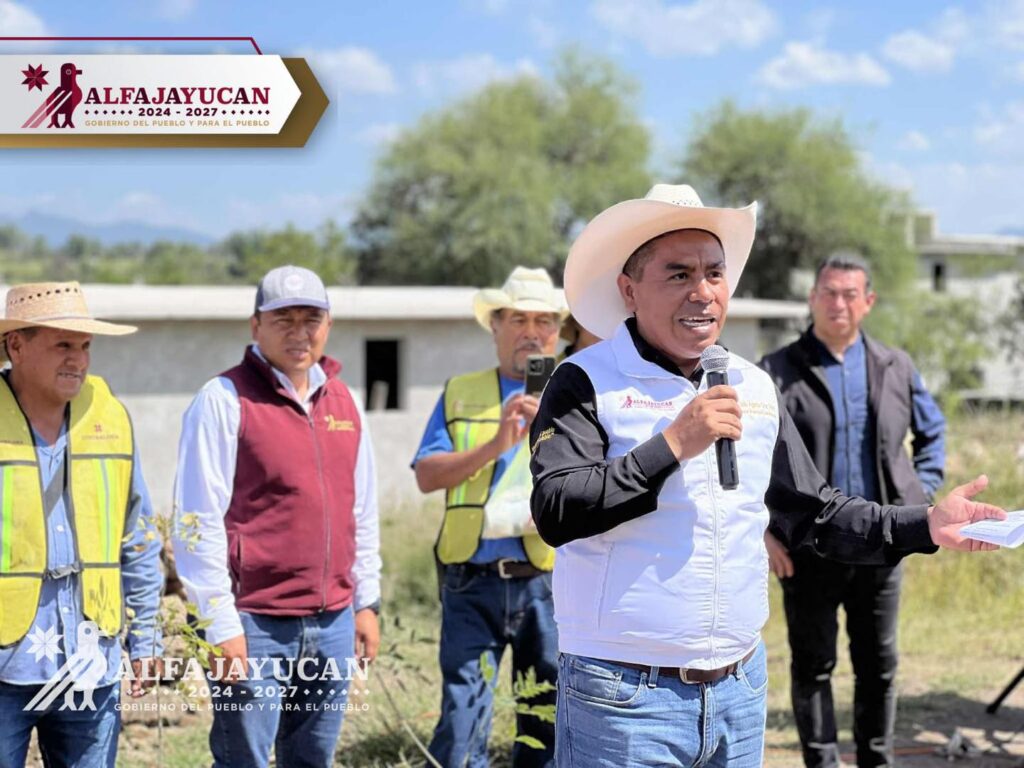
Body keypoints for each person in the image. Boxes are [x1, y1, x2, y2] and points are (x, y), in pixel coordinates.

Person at [528, 184, 1003, 768]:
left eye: (714, 273)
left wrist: (925, 524)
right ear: (629, 290)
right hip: (624, 698)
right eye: (678, 274)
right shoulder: (584, 381)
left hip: (739, 691)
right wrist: (673, 445)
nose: (702, 292)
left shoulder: (752, 385)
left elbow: (816, 513)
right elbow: (558, 510)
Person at [172, 265, 381, 768]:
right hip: (253, 621)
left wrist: (366, 601)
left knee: (313, 759)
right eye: (283, 319)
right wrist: (220, 624)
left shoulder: (346, 402)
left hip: (333, 621)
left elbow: (362, 508)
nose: (298, 332)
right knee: (244, 759)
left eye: (311, 319)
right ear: (255, 326)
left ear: (328, 325)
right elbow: (196, 521)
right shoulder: (223, 400)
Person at [758, 252, 946, 768]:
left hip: (883, 544)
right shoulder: (775, 371)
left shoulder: (895, 366)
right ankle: (821, 761)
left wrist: (919, 493)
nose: (837, 303)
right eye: (828, 292)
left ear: (868, 302)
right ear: (812, 298)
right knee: (813, 664)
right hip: (808, 548)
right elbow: (747, 459)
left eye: (849, 294)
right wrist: (764, 530)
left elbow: (932, 433)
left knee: (878, 665)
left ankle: (875, 760)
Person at [0, 281, 163, 768]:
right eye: (63, 345)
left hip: (92, 659)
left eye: (86, 346)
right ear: (16, 346)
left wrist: (146, 637)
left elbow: (138, 536)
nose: (79, 359)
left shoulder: (110, 417)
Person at [412, 266, 567, 768]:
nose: (531, 332)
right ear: (495, 326)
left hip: (548, 581)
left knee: (546, 721)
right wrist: (496, 444)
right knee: (462, 721)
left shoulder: (576, 393)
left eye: (544, 321)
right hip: (470, 581)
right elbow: (427, 475)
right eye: (518, 319)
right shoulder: (461, 391)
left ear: (558, 331)